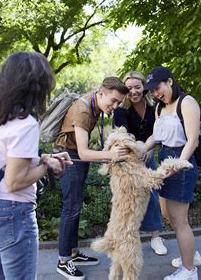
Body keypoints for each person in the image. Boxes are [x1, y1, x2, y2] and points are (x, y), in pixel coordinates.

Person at [0, 51, 72, 279]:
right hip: (11, 213)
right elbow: (15, 181)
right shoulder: (25, 123)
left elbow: (4, 160)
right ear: (36, 87)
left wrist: (44, 158)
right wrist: (47, 167)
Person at [54, 77, 130, 279]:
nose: (114, 106)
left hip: (75, 156)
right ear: (101, 92)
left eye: (118, 103)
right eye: (113, 101)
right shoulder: (84, 109)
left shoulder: (96, 105)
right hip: (69, 157)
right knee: (70, 207)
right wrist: (112, 155)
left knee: (76, 206)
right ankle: (63, 260)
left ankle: (72, 253)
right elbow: (85, 152)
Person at [143, 66, 201, 280]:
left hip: (181, 163)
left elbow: (193, 140)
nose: (155, 93)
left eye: (157, 88)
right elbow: (155, 137)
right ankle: (191, 255)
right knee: (167, 214)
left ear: (169, 81)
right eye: (152, 91)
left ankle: (189, 271)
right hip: (165, 159)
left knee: (179, 220)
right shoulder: (159, 108)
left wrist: (177, 165)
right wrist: (140, 149)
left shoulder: (187, 102)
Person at [113, 71, 168, 256]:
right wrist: (137, 151)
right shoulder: (120, 110)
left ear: (144, 87)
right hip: (130, 159)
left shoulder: (156, 106)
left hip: (149, 155)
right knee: (130, 199)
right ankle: (129, 237)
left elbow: (159, 131)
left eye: (138, 87)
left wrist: (150, 149)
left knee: (152, 195)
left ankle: (155, 236)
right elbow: (123, 135)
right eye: (129, 88)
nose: (134, 91)